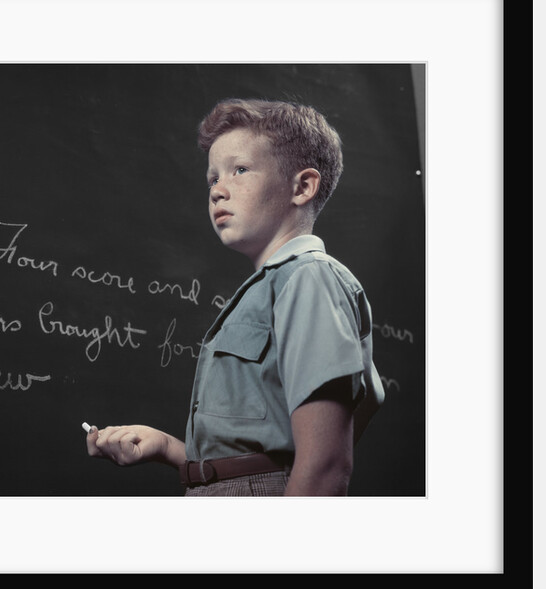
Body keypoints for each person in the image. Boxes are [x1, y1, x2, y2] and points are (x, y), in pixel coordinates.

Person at [86, 98, 385, 496]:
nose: (217, 191)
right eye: (212, 179)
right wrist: (169, 448)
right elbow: (257, 452)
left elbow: (324, 466)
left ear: (303, 186)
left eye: (240, 170)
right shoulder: (267, 288)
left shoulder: (308, 278)